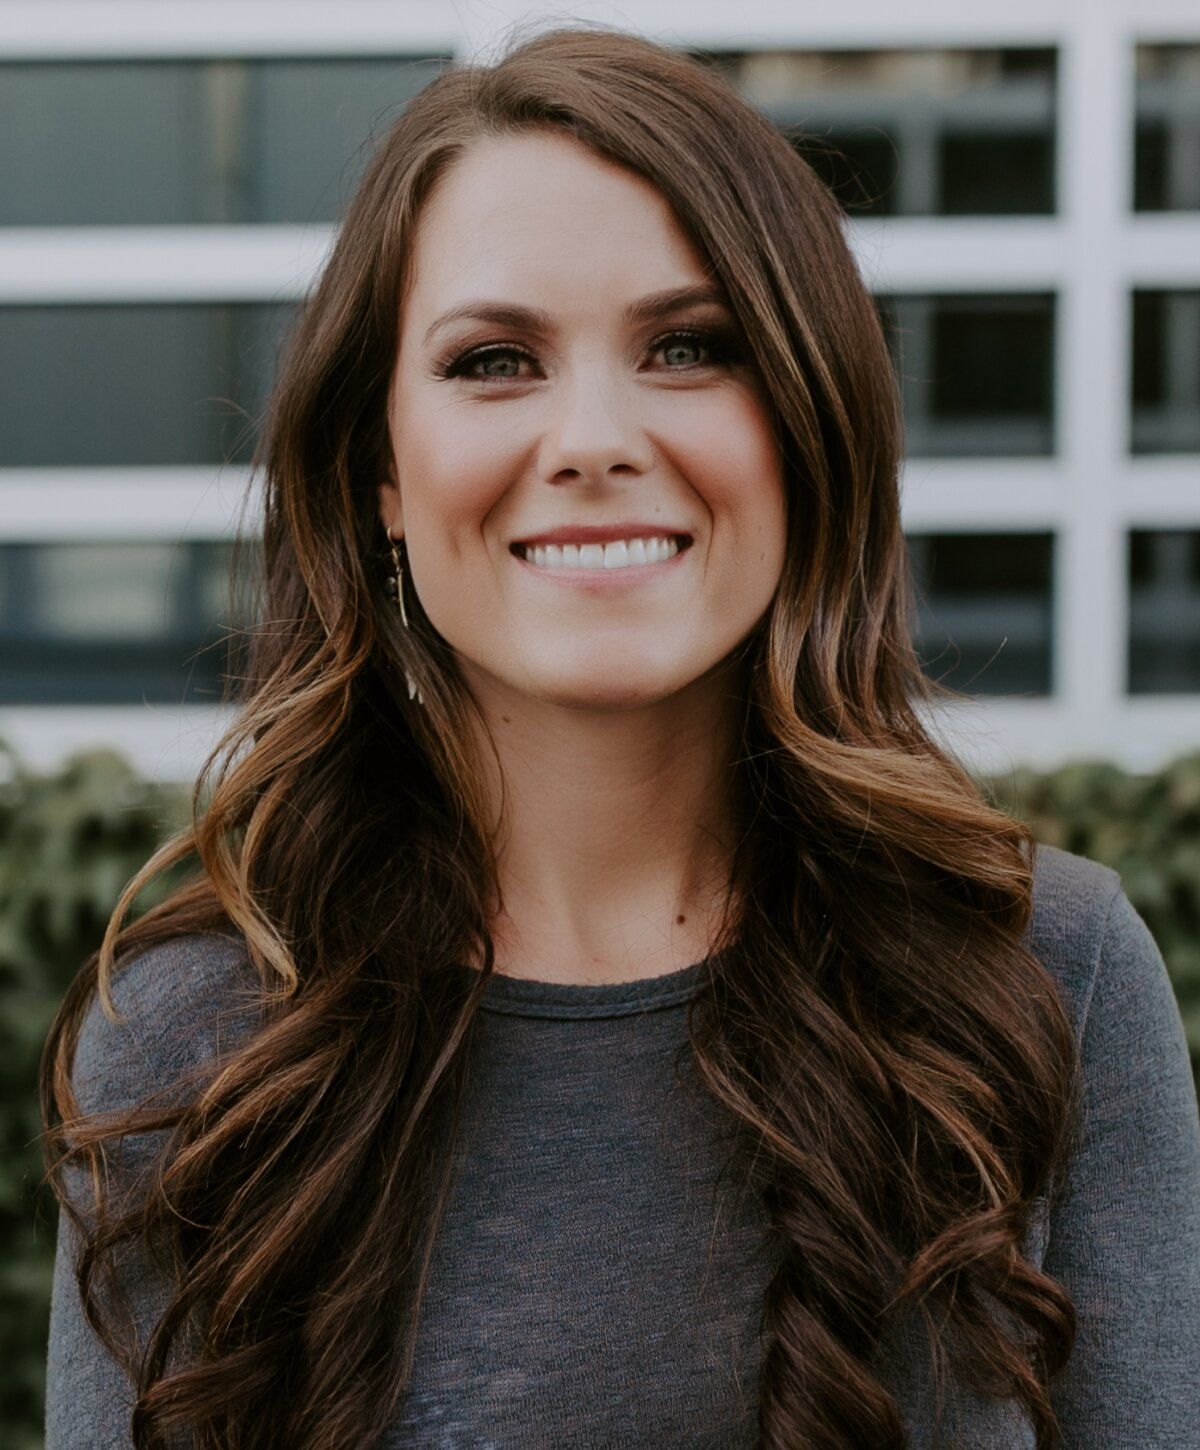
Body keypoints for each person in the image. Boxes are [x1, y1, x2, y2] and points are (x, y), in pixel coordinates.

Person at [40, 24, 1200, 1450]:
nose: (593, 435)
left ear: (805, 424)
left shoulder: (1045, 978)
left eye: (689, 347)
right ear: (380, 476)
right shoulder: (190, 1042)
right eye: (494, 360)